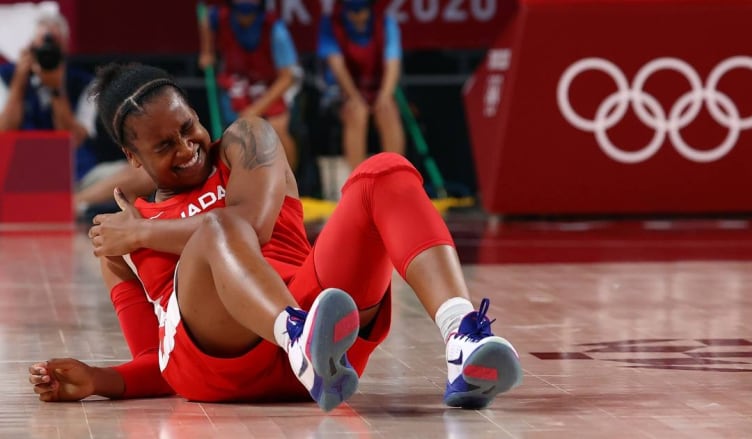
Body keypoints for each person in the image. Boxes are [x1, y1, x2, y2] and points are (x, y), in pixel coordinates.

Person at [27, 63, 522, 411]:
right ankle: (298, 338)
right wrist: (98, 381)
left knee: (384, 171)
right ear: (134, 160)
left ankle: (460, 337)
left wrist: (143, 231)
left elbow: (254, 223)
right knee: (219, 227)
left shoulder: (246, 141)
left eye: (188, 127)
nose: (186, 148)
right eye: (163, 145)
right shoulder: (119, 241)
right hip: (216, 365)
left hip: (322, 327)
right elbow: (153, 363)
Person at [0, 11, 154, 218]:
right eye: (42, 47)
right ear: (30, 48)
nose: (47, 53)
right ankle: (52, 205)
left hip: (76, 176)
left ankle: (69, 205)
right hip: (19, 175)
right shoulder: (7, 76)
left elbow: (73, 140)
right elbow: (5, 131)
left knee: (147, 171)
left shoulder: (84, 83)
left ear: (65, 49)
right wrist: (20, 81)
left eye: (54, 47)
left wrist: (56, 89)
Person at [198, 0, 299, 169]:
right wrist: (207, 50)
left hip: (272, 84)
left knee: (277, 128)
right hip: (238, 81)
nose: (245, 17)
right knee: (235, 132)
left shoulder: (276, 30)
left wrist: (256, 109)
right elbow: (205, 18)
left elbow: (287, 78)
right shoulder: (220, 17)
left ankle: (291, 182)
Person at [317, 0, 405, 171]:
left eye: (361, 11)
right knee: (356, 113)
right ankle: (358, 181)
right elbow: (338, 67)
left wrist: (385, 96)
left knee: (387, 111)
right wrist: (354, 97)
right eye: (352, 11)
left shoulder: (386, 24)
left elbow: (393, 64)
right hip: (343, 91)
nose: (357, 16)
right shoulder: (331, 25)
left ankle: (396, 176)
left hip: (378, 89)